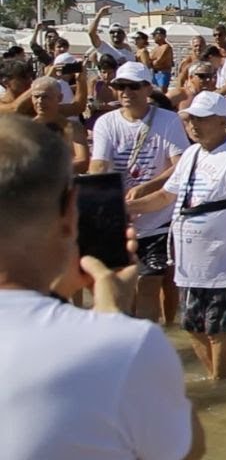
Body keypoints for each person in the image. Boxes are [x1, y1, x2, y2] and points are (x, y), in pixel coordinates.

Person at [0, 114, 206, 459]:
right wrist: (117, 317)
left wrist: (56, 296)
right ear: (69, 212)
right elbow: (187, 450)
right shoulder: (120, 345)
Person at [126, 91, 226, 380]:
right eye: (190, 119)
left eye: (201, 119)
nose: (193, 125)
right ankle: (218, 378)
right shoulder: (190, 154)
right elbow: (166, 196)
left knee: (217, 331)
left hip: (224, 260)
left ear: (221, 121)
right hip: (190, 262)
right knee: (191, 328)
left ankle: (222, 383)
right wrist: (127, 207)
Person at [89, 61, 190, 323]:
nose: (125, 92)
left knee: (149, 287)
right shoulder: (106, 123)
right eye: (120, 86)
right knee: (120, 290)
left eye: (133, 86)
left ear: (147, 88)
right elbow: (99, 164)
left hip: (158, 218)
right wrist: (98, 199)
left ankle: (150, 344)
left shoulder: (169, 121)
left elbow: (180, 168)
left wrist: (147, 186)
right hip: (118, 219)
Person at [29, 76, 90, 172]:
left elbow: (83, 161)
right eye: (36, 97)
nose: (40, 101)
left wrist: (49, 172)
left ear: (60, 98)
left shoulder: (73, 128)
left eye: (45, 97)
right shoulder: (26, 129)